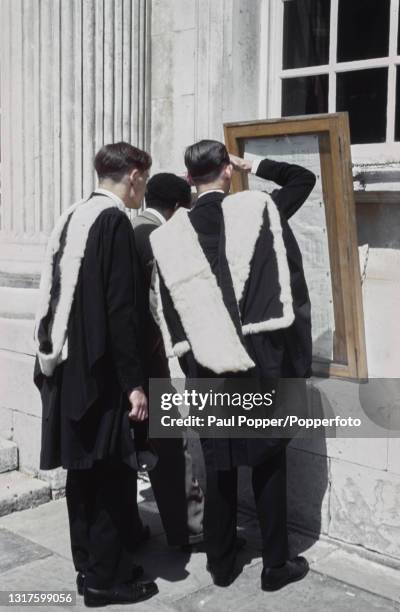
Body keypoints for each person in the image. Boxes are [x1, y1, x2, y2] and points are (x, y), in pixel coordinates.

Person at [150, 140, 316, 591]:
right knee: (268, 462)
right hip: (261, 362)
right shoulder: (258, 209)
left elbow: (169, 311)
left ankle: (221, 565)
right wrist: (254, 163)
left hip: (206, 365)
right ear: (226, 170)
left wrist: (191, 366)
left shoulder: (168, 236)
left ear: (188, 179)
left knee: (219, 463)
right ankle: (275, 566)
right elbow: (304, 180)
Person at [34, 142, 158, 607]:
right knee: (110, 475)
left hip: (68, 367)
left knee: (82, 474)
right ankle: (107, 582)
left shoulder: (73, 215)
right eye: (143, 177)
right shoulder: (114, 223)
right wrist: (134, 384)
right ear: (132, 175)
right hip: (102, 372)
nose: (143, 187)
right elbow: (123, 311)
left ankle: (89, 567)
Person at [132, 173, 204, 549]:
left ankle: (131, 526)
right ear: (177, 209)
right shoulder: (156, 238)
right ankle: (188, 529)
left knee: (133, 446)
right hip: (149, 358)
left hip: (126, 361)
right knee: (170, 444)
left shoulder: (131, 226)